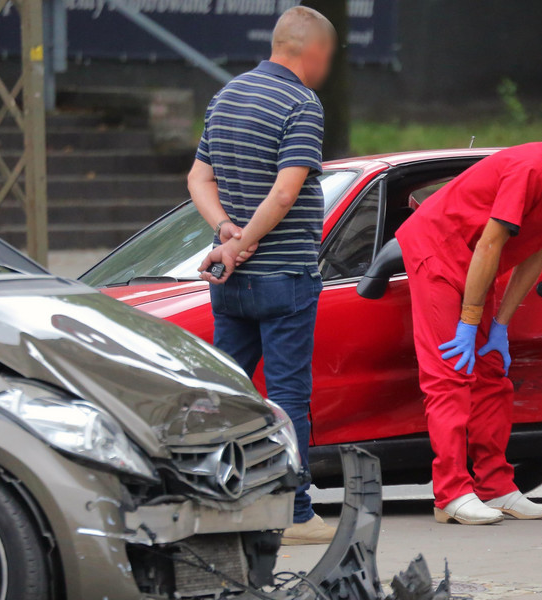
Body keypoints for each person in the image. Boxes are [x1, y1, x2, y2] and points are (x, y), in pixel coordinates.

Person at [394, 115, 542, 524]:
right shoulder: (531, 169)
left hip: (478, 265)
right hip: (440, 253)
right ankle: (450, 493)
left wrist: (499, 325)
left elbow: (535, 249)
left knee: (491, 372)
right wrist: (469, 321)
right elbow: (489, 243)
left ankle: (496, 486)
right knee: (451, 373)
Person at [188, 7, 336, 546]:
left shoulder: (225, 95)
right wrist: (246, 241)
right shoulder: (301, 101)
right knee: (289, 397)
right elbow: (285, 191)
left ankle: (218, 502)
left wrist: (226, 234)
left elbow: (198, 177)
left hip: (230, 281)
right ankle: (295, 514)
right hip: (284, 277)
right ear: (314, 52)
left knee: (228, 393)